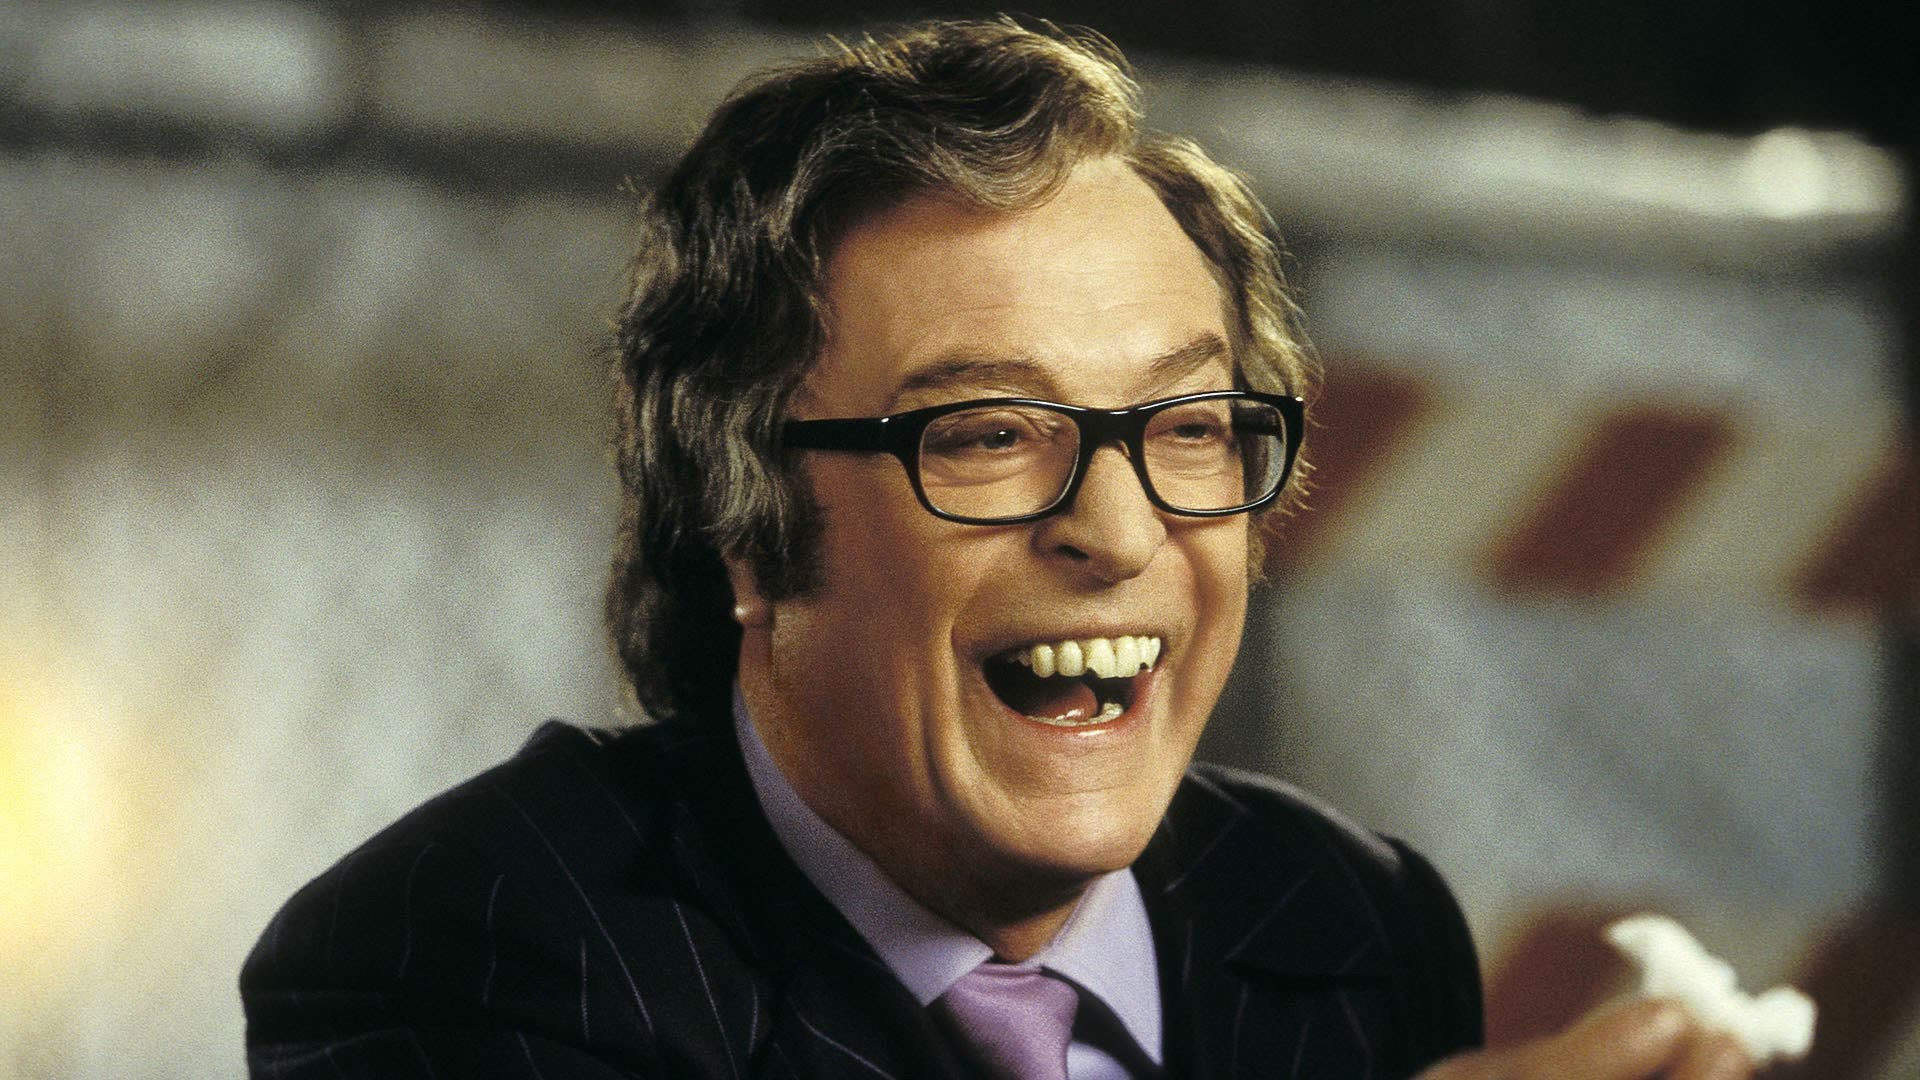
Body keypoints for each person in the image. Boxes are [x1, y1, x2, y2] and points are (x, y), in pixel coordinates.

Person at [241, 19, 1758, 1080]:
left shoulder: (1353, 921)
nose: (1119, 529)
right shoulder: (475, 948)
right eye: (983, 435)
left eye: (1189, 426)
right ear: (743, 527)